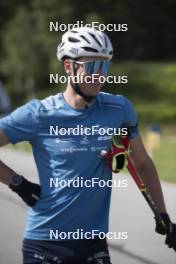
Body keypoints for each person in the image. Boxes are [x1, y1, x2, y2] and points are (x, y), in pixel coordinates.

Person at [0, 27, 175, 264]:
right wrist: (16, 182)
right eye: (92, 66)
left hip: (94, 244)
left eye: (105, 67)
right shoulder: (39, 114)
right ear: (69, 67)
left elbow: (142, 162)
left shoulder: (119, 109)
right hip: (44, 243)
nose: (99, 75)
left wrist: (162, 213)